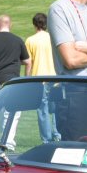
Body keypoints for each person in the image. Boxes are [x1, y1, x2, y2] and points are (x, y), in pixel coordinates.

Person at [25, 12, 59, 142]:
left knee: (42, 110)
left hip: (39, 79)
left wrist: (27, 79)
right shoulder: (54, 38)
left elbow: (29, 62)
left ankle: (46, 139)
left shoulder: (30, 40)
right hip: (55, 77)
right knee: (55, 109)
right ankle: (57, 134)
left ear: (34, 24)